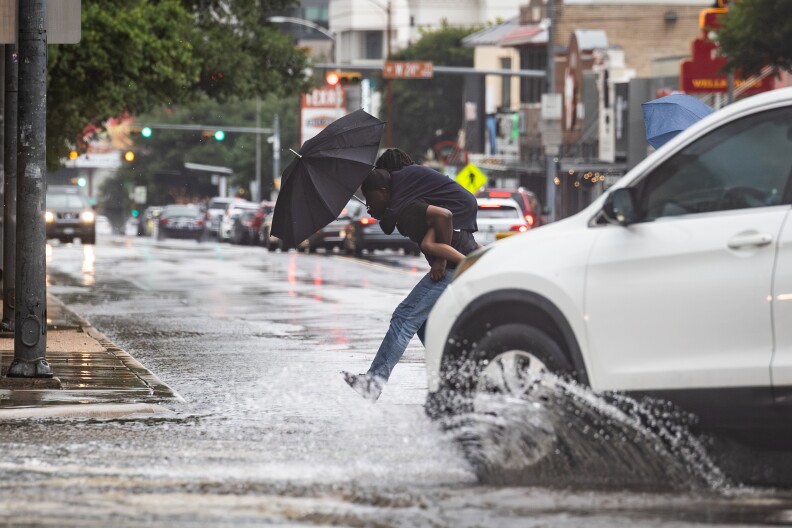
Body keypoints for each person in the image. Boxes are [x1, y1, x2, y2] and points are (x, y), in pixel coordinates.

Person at [342, 149, 480, 401]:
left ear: (385, 187)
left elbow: (444, 216)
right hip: (457, 258)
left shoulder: (410, 194)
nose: (369, 205)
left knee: (404, 318)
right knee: (426, 324)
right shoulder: (413, 198)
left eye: (371, 198)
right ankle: (455, 379)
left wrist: (439, 260)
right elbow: (390, 221)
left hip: (452, 264)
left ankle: (374, 382)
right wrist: (376, 208)